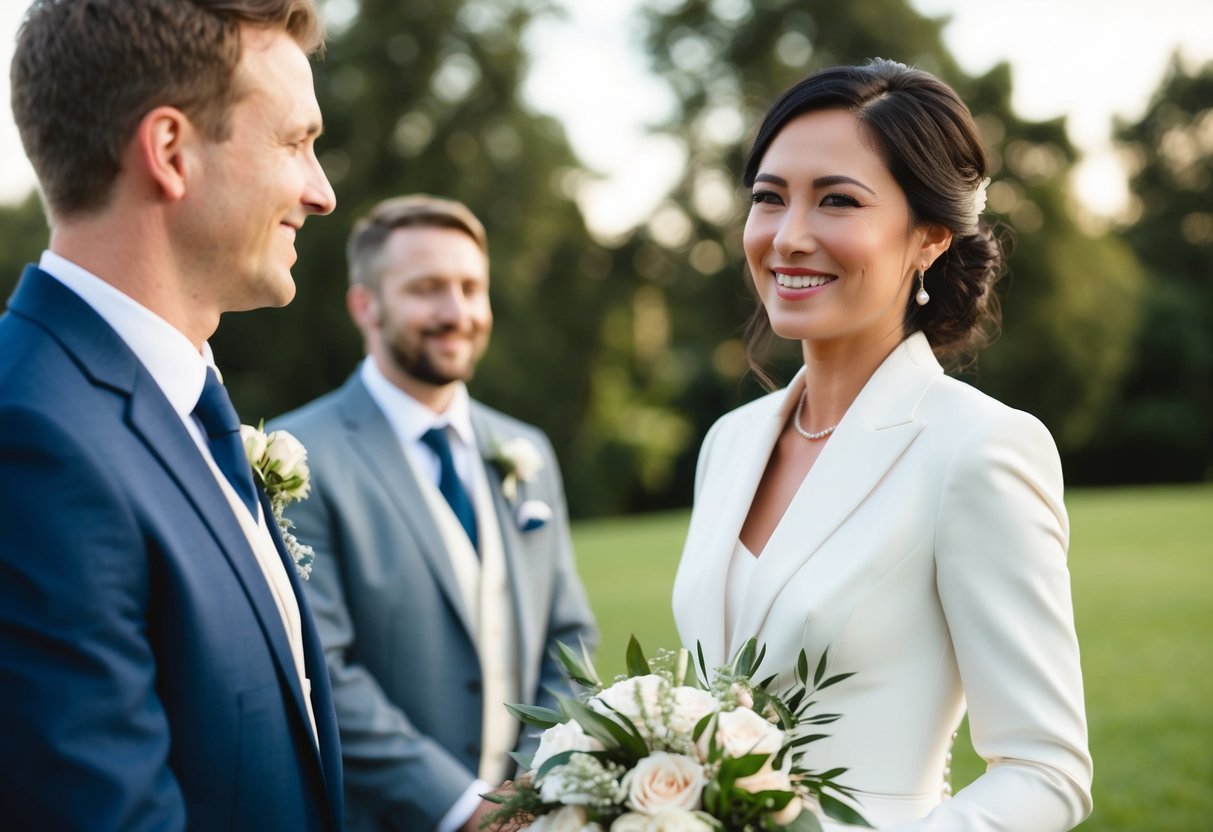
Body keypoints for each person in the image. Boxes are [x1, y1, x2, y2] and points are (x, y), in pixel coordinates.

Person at [672, 60, 1093, 831]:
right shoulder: (727, 444)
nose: (788, 237)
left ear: (929, 237)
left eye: (837, 201)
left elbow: (1046, 770)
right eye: (769, 198)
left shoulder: (979, 449)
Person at [0, 1, 341, 829]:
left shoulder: (176, 406)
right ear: (170, 152)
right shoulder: (32, 441)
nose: (321, 192)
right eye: (297, 142)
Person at [271, 194, 598, 832]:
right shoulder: (299, 460)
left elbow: (569, 639)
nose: (457, 312)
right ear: (365, 305)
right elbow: (322, 671)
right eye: (427, 289)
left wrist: (533, 790)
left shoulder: (525, 449)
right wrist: (464, 809)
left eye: (472, 288)